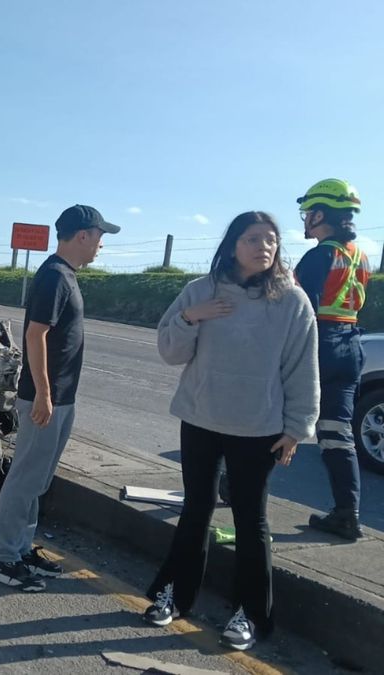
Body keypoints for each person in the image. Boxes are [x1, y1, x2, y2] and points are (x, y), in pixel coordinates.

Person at [143, 211, 318, 652]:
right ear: (232, 245)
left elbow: (301, 369)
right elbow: (169, 351)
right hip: (201, 418)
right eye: (253, 238)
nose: (264, 246)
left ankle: (251, 614)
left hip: (259, 428)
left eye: (271, 239)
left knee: (250, 519)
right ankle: (174, 595)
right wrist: (190, 317)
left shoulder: (292, 301)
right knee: (196, 509)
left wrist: (297, 428)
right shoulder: (200, 291)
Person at [0, 204, 120, 592]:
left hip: (60, 398)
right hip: (45, 399)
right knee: (24, 480)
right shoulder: (55, 277)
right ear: (83, 235)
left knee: (37, 480)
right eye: (99, 236)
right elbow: (35, 335)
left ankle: (20, 548)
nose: (101, 244)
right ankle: (4, 558)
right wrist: (44, 393)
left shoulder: (64, 275)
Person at [294, 179, 369, 540]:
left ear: (321, 215)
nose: (306, 218)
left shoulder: (319, 255)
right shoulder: (360, 256)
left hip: (319, 342)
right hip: (350, 344)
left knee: (277, 416)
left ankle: (235, 487)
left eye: (309, 212)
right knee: (337, 433)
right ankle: (346, 514)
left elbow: (300, 311)